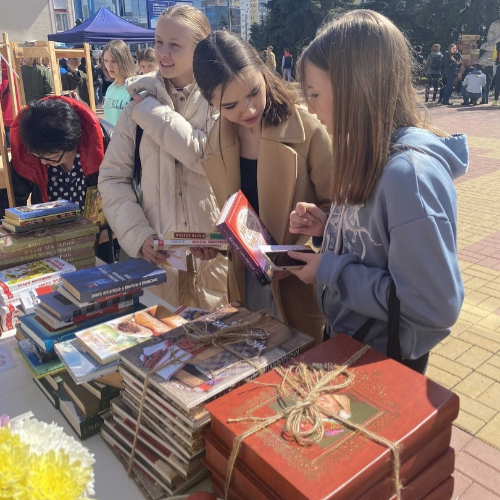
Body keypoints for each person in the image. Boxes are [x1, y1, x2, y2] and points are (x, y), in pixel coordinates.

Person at [289, 10, 467, 373]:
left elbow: (434, 307)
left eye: (315, 94)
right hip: (351, 344)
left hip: (386, 363)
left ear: (355, 88)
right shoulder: (365, 150)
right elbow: (377, 244)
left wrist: (331, 269)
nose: (309, 108)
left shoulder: (409, 177)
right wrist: (329, 229)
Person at [192, 31, 333, 343]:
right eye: (230, 105)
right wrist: (214, 244)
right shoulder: (216, 142)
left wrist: (304, 248)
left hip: (299, 287)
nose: (249, 110)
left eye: (254, 92)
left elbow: (340, 211)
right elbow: (239, 219)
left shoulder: (307, 130)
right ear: (211, 102)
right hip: (246, 287)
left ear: (263, 71)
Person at [99, 5, 228, 310]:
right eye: (158, 42)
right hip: (159, 260)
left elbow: (213, 162)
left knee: (218, 348)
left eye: (174, 44)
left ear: (200, 48)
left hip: (214, 260)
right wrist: (138, 235)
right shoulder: (136, 105)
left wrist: (154, 114)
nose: (162, 52)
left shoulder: (222, 100)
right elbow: (113, 178)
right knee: (161, 349)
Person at [101, 40, 136, 125]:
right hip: (112, 137)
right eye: (106, 60)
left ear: (124, 61)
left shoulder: (136, 88)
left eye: (114, 61)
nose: (109, 65)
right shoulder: (110, 88)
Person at [1, 59, 19, 148]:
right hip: (15, 114)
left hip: (4, 116)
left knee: (7, 147)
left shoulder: (2, 79)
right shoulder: (14, 74)